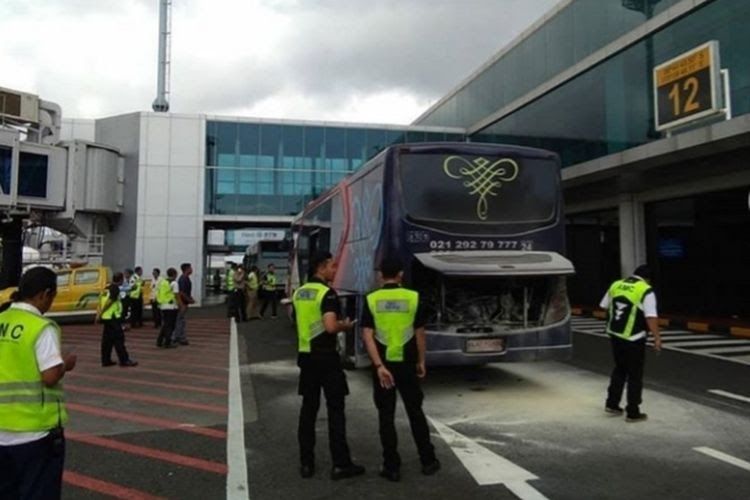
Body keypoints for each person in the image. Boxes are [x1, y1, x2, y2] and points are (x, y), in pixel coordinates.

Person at [0, 267, 77, 500]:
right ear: (44, 294)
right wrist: (65, 363)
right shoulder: (41, 326)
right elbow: (50, 376)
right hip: (34, 431)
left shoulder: (2, 320)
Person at [361, 257, 440, 482]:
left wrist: (378, 366)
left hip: (383, 367)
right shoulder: (413, 297)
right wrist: (421, 361)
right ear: (401, 274)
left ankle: (391, 466)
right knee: (415, 412)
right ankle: (428, 461)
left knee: (386, 417)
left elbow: (367, 335)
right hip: (407, 365)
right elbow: (420, 333)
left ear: (380, 275)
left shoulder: (372, 299)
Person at [292, 251, 364, 480]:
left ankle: (306, 463)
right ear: (321, 268)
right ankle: (341, 464)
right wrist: (347, 326)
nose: (335, 270)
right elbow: (331, 327)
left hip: (306, 357)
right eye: (332, 266)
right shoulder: (328, 294)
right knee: (335, 410)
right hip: (326, 358)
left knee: (308, 411)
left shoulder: (300, 292)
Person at [600, 264, 662, 422]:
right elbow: (650, 317)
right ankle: (633, 412)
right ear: (648, 279)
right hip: (634, 338)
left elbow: (604, 306)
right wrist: (657, 337)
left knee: (619, 369)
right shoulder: (645, 290)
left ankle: (612, 404)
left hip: (615, 335)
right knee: (635, 374)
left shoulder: (616, 284)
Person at [97, 272, 138, 368]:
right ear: (120, 280)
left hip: (107, 318)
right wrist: (101, 312)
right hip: (113, 317)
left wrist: (98, 314)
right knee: (119, 339)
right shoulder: (115, 289)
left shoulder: (106, 288)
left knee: (107, 340)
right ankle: (124, 360)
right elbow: (110, 302)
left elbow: (100, 302)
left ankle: (105, 360)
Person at [156, 267, 181, 348]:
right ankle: (167, 342)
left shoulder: (163, 282)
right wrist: (180, 304)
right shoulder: (174, 283)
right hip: (171, 306)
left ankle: (159, 341)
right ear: (174, 274)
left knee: (165, 324)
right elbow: (176, 295)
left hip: (163, 305)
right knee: (170, 325)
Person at [172, 263, 195, 346]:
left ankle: (179, 337)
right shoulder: (183, 279)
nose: (192, 269)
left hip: (184, 302)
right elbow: (181, 292)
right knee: (180, 320)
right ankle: (178, 337)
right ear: (187, 269)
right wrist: (187, 301)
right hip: (182, 303)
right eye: (190, 268)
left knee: (181, 320)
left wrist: (190, 298)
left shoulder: (186, 278)